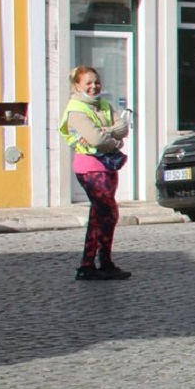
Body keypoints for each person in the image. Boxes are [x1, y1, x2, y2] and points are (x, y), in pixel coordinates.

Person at [60, 66, 132, 282]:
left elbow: (123, 128)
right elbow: (96, 140)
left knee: (101, 215)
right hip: (90, 167)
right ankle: (92, 263)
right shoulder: (76, 109)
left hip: (107, 166)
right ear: (77, 86)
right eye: (88, 83)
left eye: (96, 82)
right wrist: (111, 138)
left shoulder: (104, 105)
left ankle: (96, 263)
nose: (93, 86)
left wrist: (107, 133)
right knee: (107, 212)